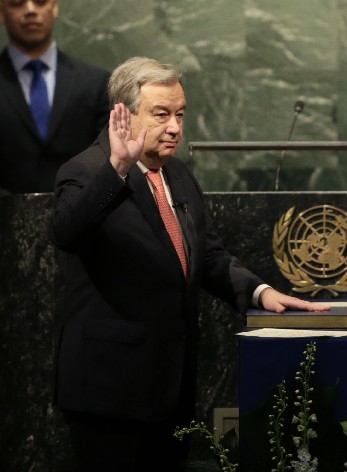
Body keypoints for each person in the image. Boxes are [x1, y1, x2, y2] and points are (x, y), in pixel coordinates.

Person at [48, 57, 329, 471]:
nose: (176, 127)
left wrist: (260, 293)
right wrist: (116, 170)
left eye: (180, 114)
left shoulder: (176, 173)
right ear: (122, 114)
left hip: (171, 388)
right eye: (161, 115)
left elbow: (207, 254)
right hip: (109, 393)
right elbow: (64, 232)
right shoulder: (86, 170)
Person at [0, 0, 109, 194]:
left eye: (41, 1)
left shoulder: (96, 84)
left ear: (55, 7)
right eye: (17, 3)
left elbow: (108, 161)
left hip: (83, 216)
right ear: (1, 12)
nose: (30, 10)